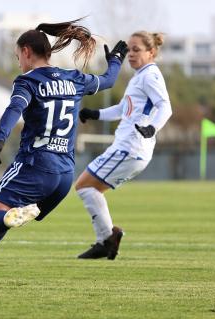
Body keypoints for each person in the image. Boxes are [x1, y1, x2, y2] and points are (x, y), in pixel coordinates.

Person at [0, 18, 129, 280]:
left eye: (17, 56)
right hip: (63, 176)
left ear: (26, 51)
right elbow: (108, 80)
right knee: (8, 215)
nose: (18, 62)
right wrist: (115, 59)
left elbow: (14, 109)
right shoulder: (75, 78)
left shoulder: (28, 81)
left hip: (34, 166)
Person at [75, 31, 172, 259]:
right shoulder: (140, 76)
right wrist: (95, 113)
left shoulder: (150, 76)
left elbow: (165, 106)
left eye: (137, 49)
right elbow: (122, 110)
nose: (130, 54)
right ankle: (108, 238)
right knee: (90, 189)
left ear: (152, 52)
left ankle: (107, 239)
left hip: (130, 148)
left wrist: (153, 127)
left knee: (83, 186)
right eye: (129, 49)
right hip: (130, 150)